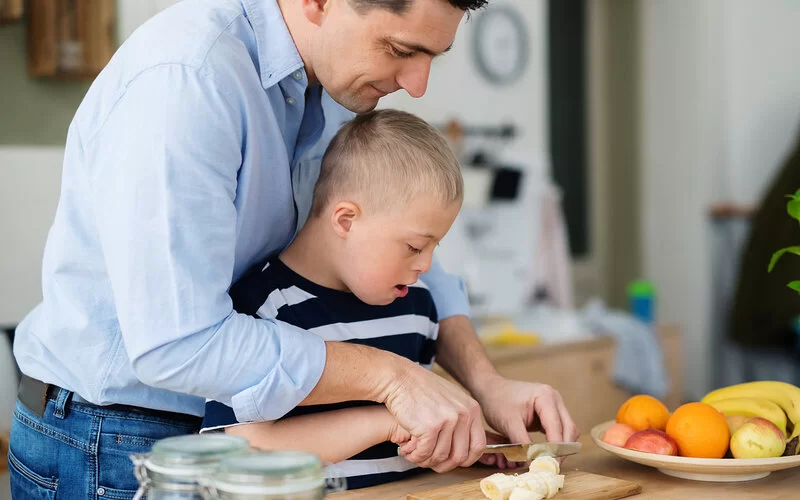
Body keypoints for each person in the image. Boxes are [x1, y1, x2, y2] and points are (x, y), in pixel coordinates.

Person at [10, 0, 578, 497]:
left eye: (434, 54)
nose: (418, 83)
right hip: (114, 437)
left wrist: (487, 382)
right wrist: (396, 380)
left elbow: (415, 252)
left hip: (225, 437)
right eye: (402, 48)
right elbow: (176, 342)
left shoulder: (337, 83)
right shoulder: (188, 78)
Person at [201, 109, 522, 490]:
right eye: (415, 246)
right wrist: (384, 422)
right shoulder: (264, 309)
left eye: (435, 246)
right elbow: (244, 449)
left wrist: (459, 442)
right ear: (346, 221)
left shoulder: (418, 307)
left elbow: (418, 436)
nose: (426, 265)